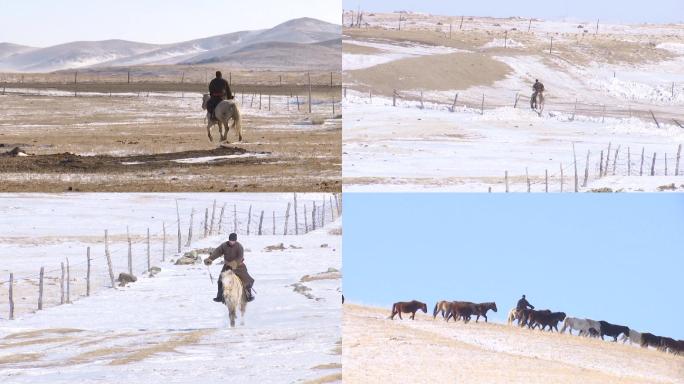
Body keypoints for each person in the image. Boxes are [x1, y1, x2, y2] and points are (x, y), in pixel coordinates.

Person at [204, 232, 255, 303]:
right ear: (229, 240)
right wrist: (210, 258)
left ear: (235, 240)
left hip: (239, 266)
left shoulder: (239, 246)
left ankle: (249, 295)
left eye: (233, 241)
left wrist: (235, 263)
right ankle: (219, 296)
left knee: (246, 279)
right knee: (220, 280)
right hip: (227, 265)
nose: (232, 242)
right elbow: (217, 252)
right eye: (230, 240)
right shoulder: (224, 245)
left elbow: (240, 257)